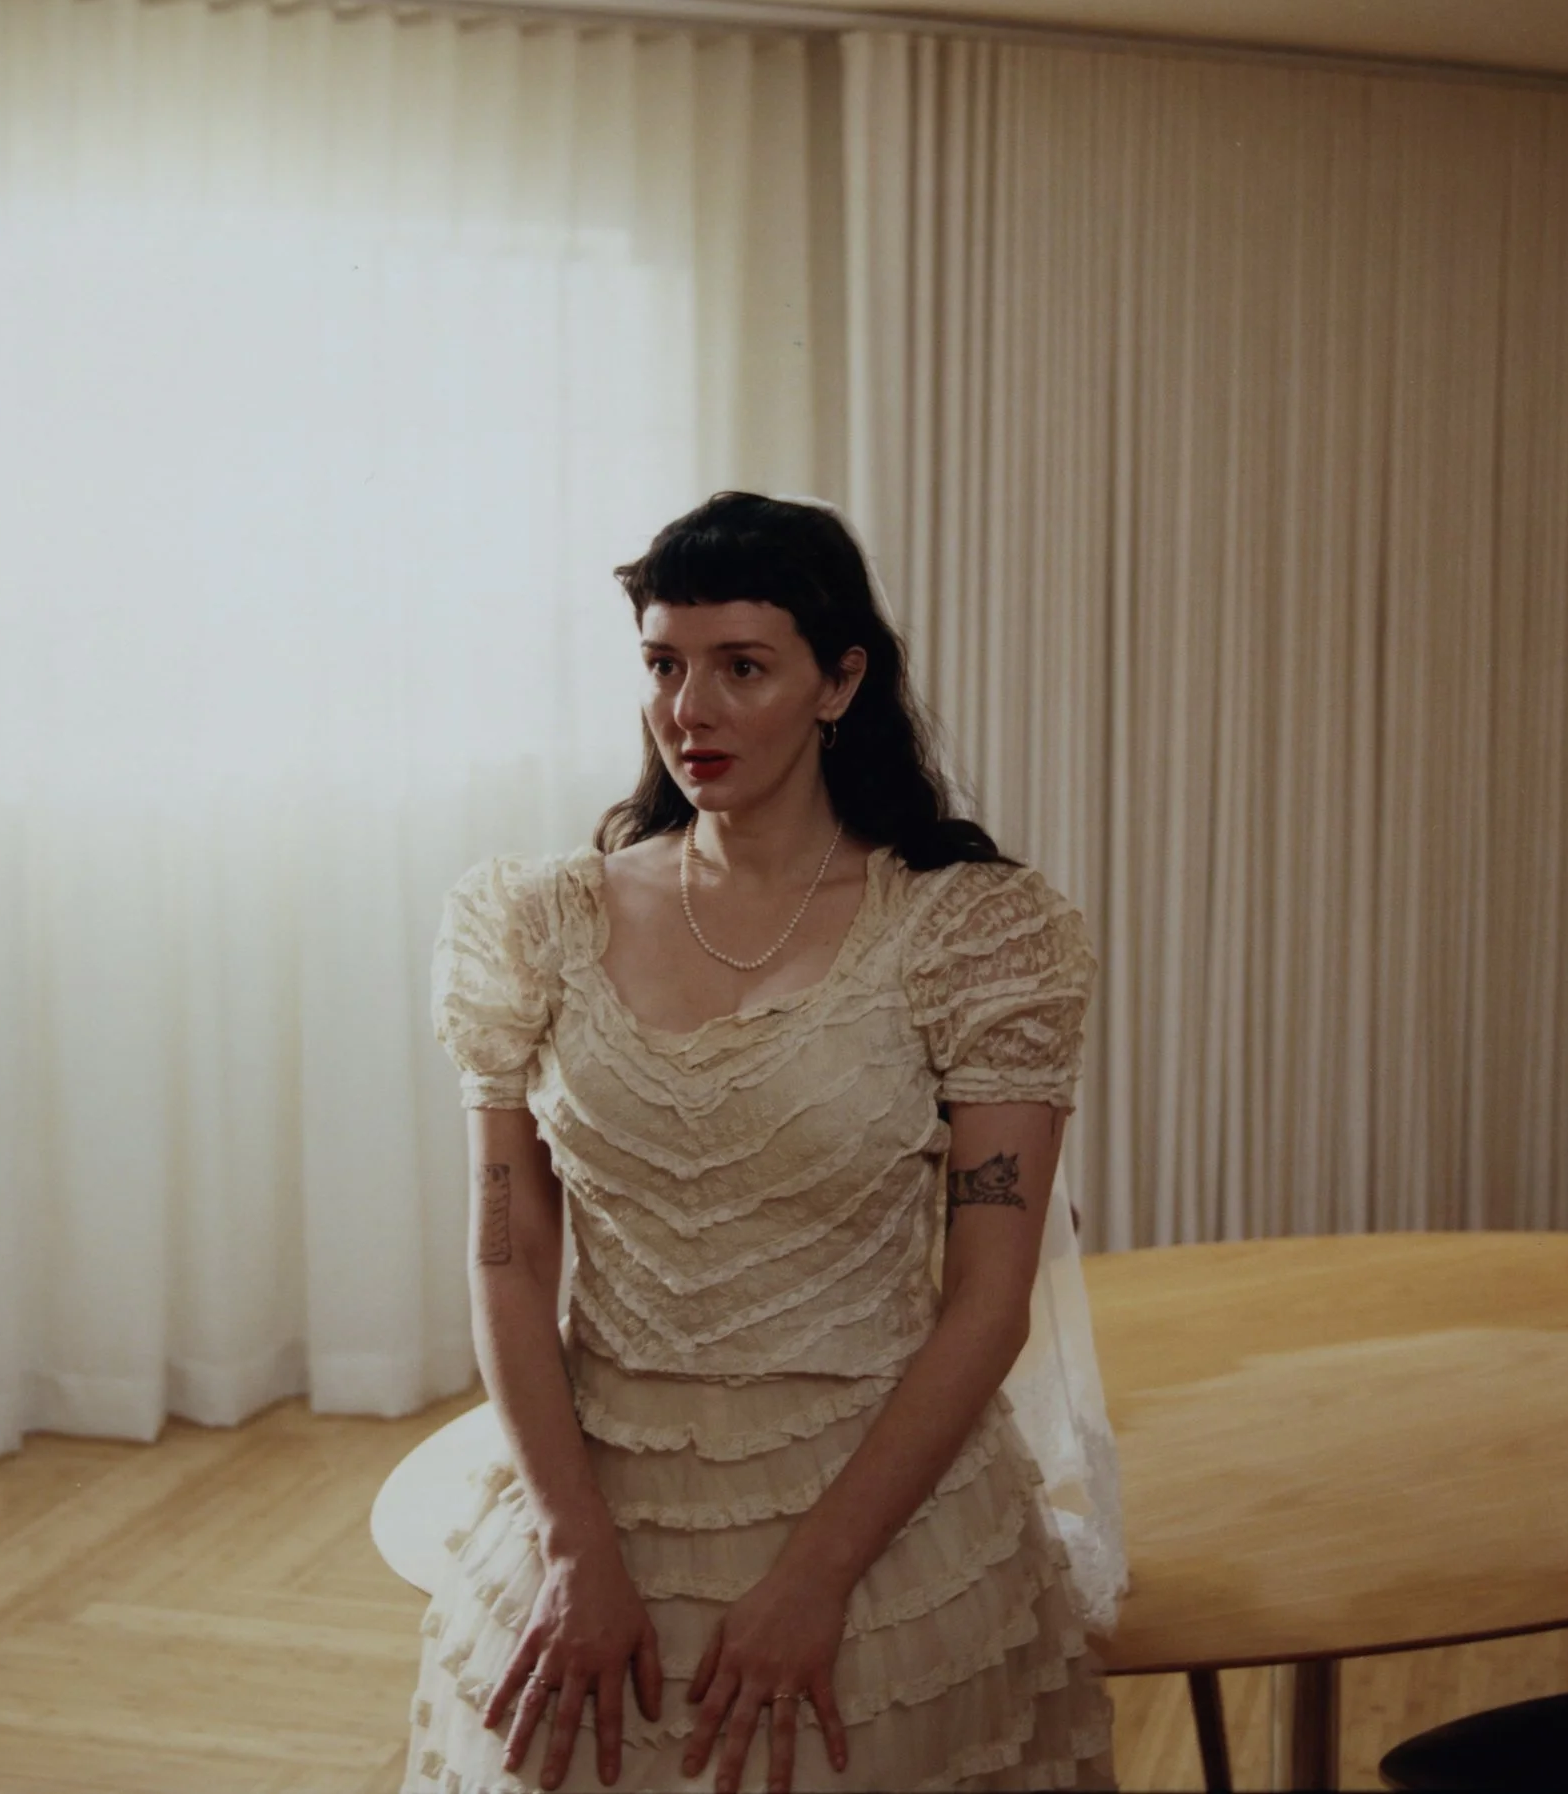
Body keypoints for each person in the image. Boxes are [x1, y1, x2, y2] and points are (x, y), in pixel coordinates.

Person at [404, 492, 1123, 1793]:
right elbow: (507, 1256)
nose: (691, 708)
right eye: (664, 664)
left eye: (743, 667)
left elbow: (988, 1302)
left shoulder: (970, 938)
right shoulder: (533, 926)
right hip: (594, 1494)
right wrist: (572, 1547)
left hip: (878, 1516)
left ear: (840, 679)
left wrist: (816, 1579)